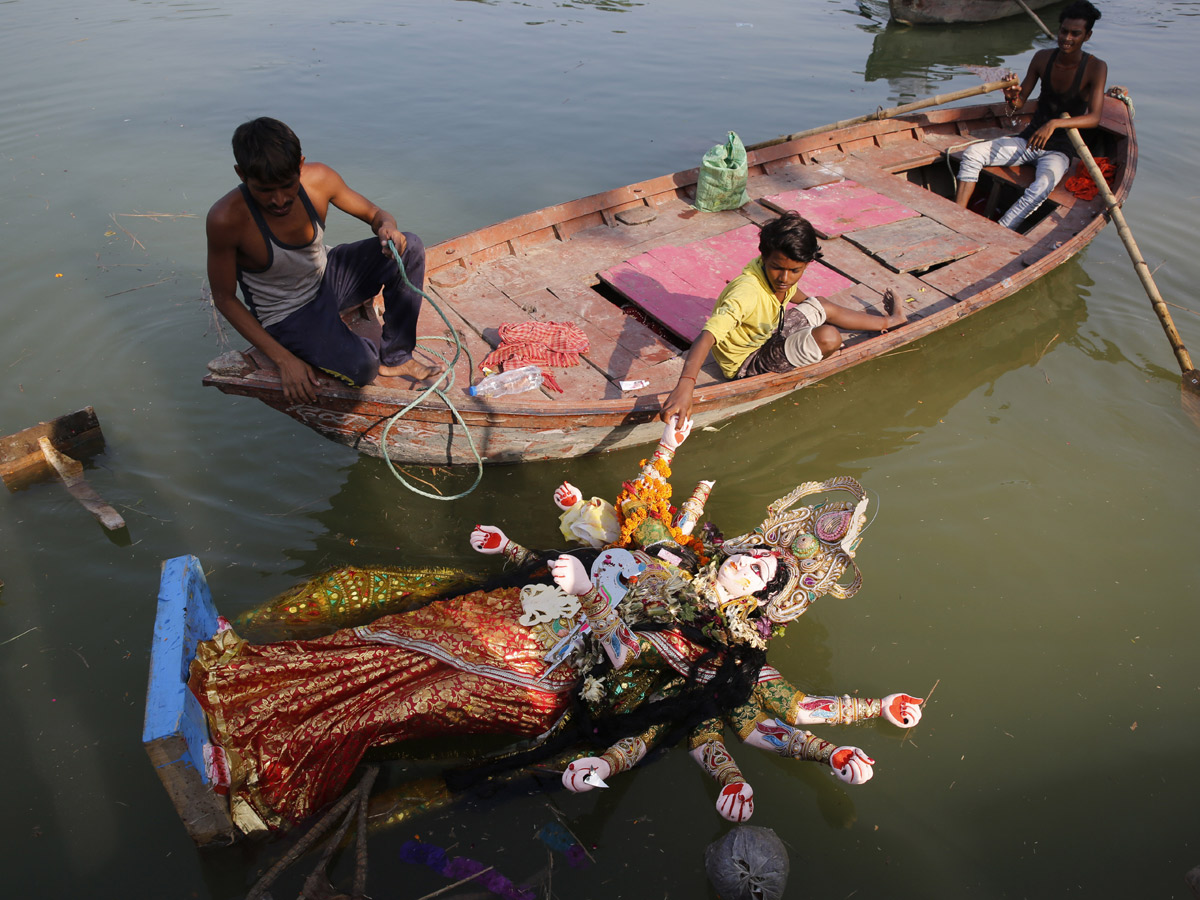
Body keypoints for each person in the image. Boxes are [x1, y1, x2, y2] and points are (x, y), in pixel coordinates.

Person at [188, 417, 922, 835]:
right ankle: (253, 685)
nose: (759, 565)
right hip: (534, 608)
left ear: (767, 602)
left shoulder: (726, 649)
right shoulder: (679, 553)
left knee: (413, 696)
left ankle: (268, 777)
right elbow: (628, 518)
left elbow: (783, 713)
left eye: (771, 577)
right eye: (762, 554)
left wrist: (850, 736)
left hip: (553, 677)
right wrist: (523, 548)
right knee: (395, 638)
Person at [206, 117, 440, 405]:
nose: (279, 200)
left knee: (409, 245)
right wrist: (284, 360)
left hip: (328, 274)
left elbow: (377, 214)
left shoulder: (320, 180)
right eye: (265, 190)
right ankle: (343, 344)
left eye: (287, 185)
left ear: (300, 165)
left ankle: (396, 356)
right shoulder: (226, 218)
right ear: (241, 175)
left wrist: (387, 228)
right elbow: (225, 298)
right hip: (289, 312)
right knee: (363, 368)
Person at [660, 212, 906, 424]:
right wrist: (686, 385)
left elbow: (791, 292)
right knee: (830, 338)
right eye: (778, 268)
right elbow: (707, 336)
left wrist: (812, 311)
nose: (785, 278)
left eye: (795, 271)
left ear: (807, 264)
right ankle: (815, 351)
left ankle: (892, 322)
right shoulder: (746, 292)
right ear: (764, 257)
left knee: (820, 304)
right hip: (748, 362)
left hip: (771, 333)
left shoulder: (778, 273)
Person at [954, 1, 1107, 230]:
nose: (1067, 38)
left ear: (1087, 36)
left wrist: (1055, 123)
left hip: (1059, 150)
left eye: (1075, 34)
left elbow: (1094, 118)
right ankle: (956, 217)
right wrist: (1010, 95)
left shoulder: (1096, 67)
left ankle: (1001, 230)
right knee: (973, 153)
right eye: (1064, 31)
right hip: (1028, 140)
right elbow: (1017, 105)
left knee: (1041, 187)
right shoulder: (1042, 58)